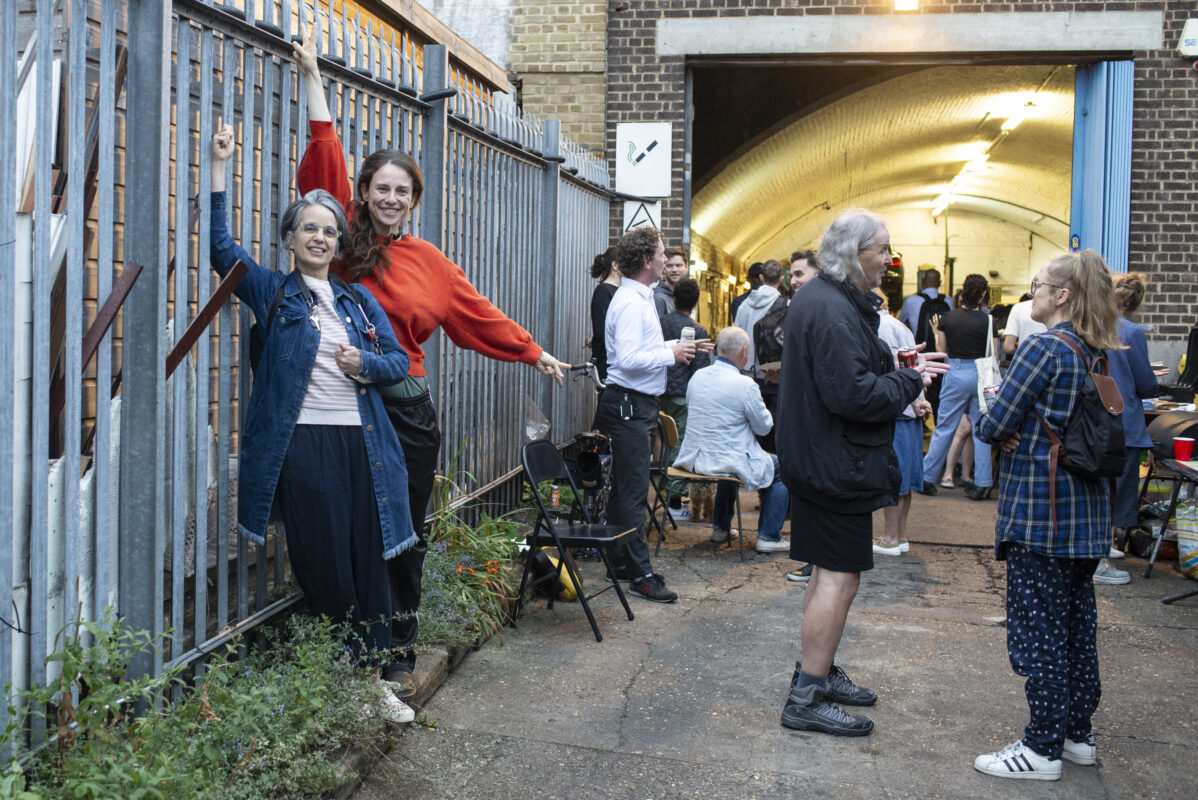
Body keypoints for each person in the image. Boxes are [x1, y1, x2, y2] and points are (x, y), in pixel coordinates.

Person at [292, 26, 568, 695]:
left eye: (403, 192)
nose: (391, 199)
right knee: (350, 525)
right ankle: (351, 641)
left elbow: (477, 315)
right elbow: (322, 169)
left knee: (402, 532)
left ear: (414, 200)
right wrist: (314, 82)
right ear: (364, 191)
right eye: (381, 188)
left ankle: (399, 648)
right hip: (345, 405)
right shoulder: (342, 242)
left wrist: (533, 350)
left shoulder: (430, 261)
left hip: (408, 414)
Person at [208, 127, 416, 724]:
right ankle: (345, 675)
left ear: (338, 241)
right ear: (290, 239)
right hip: (302, 444)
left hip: (363, 443)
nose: (320, 237)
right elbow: (221, 249)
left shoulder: (356, 301)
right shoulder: (272, 292)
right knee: (324, 560)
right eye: (308, 228)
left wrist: (364, 363)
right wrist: (219, 168)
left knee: (369, 558)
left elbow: (398, 362)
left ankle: (373, 680)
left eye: (329, 230)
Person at [776, 209, 947, 737]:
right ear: (854, 254)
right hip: (835, 463)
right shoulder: (830, 307)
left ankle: (817, 672)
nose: (890, 260)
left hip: (821, 458)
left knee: (827, 572)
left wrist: (896, 368)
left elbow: (842, 374)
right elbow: (851, 395)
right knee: (839, 576)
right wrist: (909, 382)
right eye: (883, 250)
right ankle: (807, 694)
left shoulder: (824, 299)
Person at [973, 249, 1123, 781]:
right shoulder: (1094, 352)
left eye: (1036, 286)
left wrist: (1001, 425)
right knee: (1078, 630)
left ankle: (1041, 749)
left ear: (1062, 295)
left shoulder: (1042, 348)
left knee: (1039, 634)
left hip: (1042, 514)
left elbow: (995, 424)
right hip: (1086, 518)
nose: (1030, 294)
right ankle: (1077, 735)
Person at [597, 226, 712, 603]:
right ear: (648, 260)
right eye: (662, 254)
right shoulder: (632, 302)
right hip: (630, 404)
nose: (666, 260)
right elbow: (628, 359)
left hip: (633, 404)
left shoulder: (639, 296)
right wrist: (670, 354)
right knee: (633, 493)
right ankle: (641, 576)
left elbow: (638, 348)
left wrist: (677, 345)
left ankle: (619, 561)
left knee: (624, 491)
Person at [673, 327, 789, 553]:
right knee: (780, 468)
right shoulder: (745, 385)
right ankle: (768, 536)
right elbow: (764, 427)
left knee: (729, 467)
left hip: (694, 459)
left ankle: (720, 528)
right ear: (744, 351)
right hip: (725, 459)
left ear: (718, 349)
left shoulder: (698, 377)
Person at [1097, 273, 1159, 584]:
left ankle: (1101, 548)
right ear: (1136, 303)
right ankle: (1102, 556)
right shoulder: (1132, 332)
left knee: (1098, 488)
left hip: (1096, 418)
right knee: (1119, 490)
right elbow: (1146, 383)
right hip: (1124, 419)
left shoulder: (1093, 324)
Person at [919, 274, 995, 501]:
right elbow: (991, 353)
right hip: (980, 374)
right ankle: (982, 483)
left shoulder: (948, 318)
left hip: (955, 371)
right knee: (981, 429)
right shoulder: (988, 320)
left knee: (945, 427)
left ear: (962, 292)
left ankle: (927, 476)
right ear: (983, 295)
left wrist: (936, 333)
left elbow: (942, 351)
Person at [873, 293, 934, 556]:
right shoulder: (900, 327)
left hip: (897, 410)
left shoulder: (878, 328)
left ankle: (889, 538)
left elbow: (893, 374)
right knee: (906, 479)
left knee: (894, 478)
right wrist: (919, 400)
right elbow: (914, 371)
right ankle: (899, 536)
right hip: (910, 408)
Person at [658, 278, 711, 516]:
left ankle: (663, 488)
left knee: (660, 442)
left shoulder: (661, 323)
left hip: (659, 391)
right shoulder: (698, 331)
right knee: (678, 444)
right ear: (695, 302)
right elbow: (700, 371)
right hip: (682, 395)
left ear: (674, 298)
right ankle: (675, 501)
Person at [589, 246, 621, 384]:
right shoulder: (603, 291)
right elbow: (602, 331)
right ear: (615, 265)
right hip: (607, 362)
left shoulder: (620, 290)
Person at [898, 267, 953, 336]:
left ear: (922, 281)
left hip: (919, 342)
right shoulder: (948, 301)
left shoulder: (910, 300)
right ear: (940, 283)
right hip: (943, 342)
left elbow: (900, 323)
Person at [1002, 293, 1046, 359]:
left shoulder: (1018, 308)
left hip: (1026, 361)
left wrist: (1023, 352)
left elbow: (1008, 347)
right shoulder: (1059, 308)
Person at [653, 246, 688, 319]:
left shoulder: (684, 296)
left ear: (686, 267)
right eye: (669, 266)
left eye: (678, 265)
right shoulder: (658, 298)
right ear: (664, 268)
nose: (674, 270)